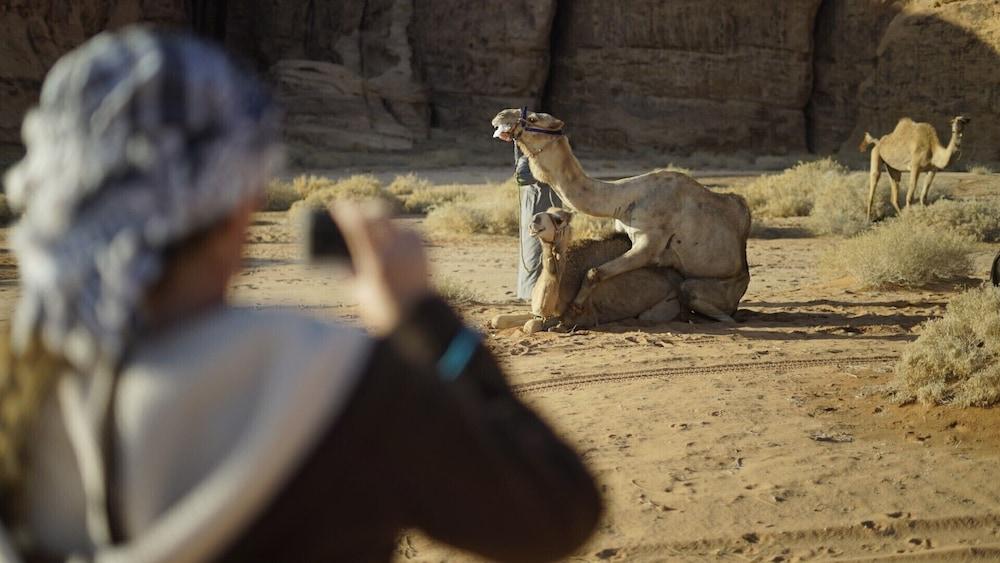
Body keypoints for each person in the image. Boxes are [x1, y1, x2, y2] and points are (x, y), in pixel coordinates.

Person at [0, 28, 601, 563]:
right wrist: (423, 317)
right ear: (236, 205)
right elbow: (556, 512)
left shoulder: (21, 380)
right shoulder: (329, 379)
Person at [514, 143, 564, 300]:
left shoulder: (557, 157)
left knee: (554, 249)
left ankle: (550, 294)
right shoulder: (527, 159)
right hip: (535, 207)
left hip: (554, 208)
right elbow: (521, 178)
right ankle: (530, 294)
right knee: (534, 251)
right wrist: (543, 174)